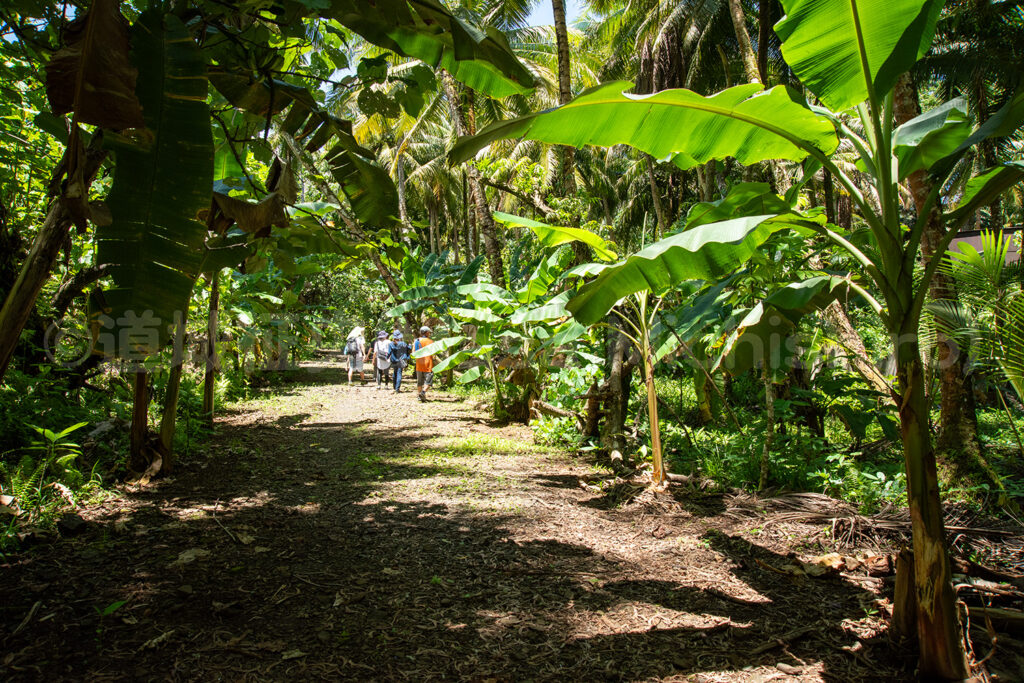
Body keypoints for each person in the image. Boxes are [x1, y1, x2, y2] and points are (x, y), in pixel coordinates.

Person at [412, 326, 435, 402]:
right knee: (428, 381)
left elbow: (413, 352)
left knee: (419, 381)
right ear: (426, 332)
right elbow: (433, 354)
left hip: (419, 364)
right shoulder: (430, 341)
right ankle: (423, 392)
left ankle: (419, 396)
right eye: (429, 332)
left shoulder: (416, 341)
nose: (429, 333)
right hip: (428, 364)